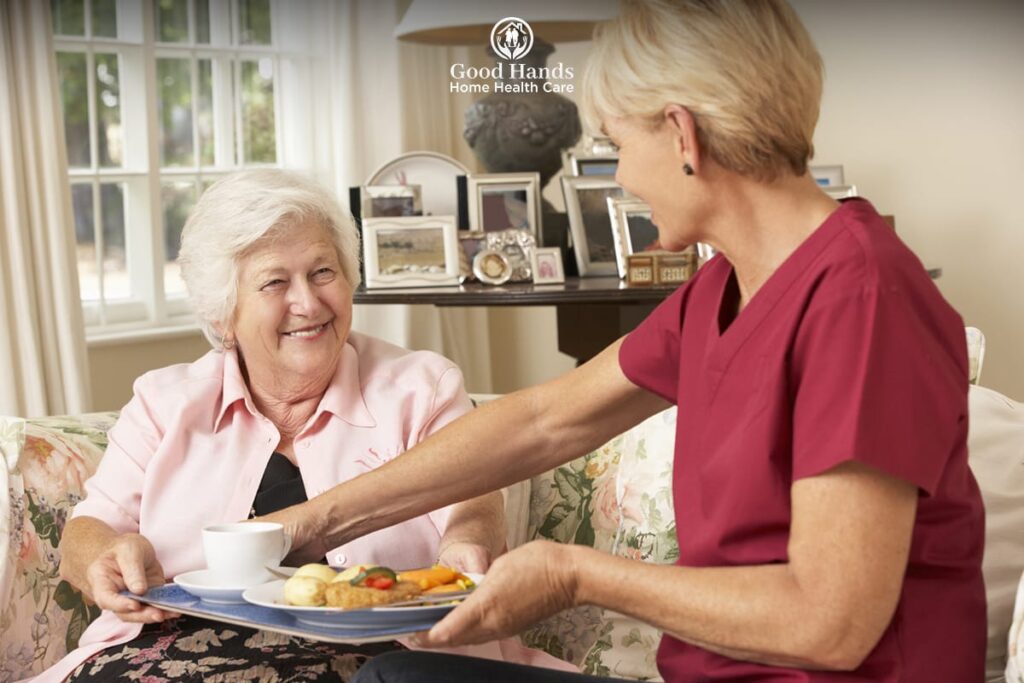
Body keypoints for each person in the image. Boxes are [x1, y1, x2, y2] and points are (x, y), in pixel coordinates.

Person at [268, 2, 986, 682]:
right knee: (397, 674)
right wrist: (310, 522)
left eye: (615, 144)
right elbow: (543, 419)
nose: (616, 175)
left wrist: (576, 574)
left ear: (682, 134)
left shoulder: (863, 296)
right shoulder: (723, 288)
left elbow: (832, 622)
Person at [41, 170, 571, 682]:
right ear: (224, 315)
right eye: (275, 282)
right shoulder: (164, 401)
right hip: (166, 652)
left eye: (323, 272)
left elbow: (471, 500)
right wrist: (105, 560)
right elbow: (88, 531)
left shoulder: (419, 388)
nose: (309, 303)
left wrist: (467, 544)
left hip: (374, 653)